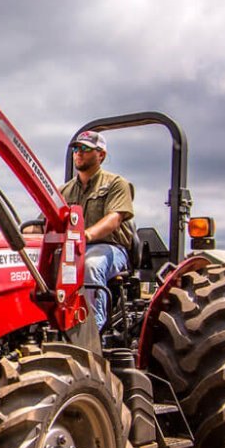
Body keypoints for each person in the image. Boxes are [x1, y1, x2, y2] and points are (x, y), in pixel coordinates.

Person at [60, 130, 135, 330]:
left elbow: (114, 219)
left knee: (90, 265)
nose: (79, 153)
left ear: (101, 155)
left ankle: (91, 330)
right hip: (71, 250)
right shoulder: (64, 191)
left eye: (85, 149)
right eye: (76, 148)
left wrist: (86, 235)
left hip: (108, 248)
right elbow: (43, 223)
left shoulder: (116, 184)